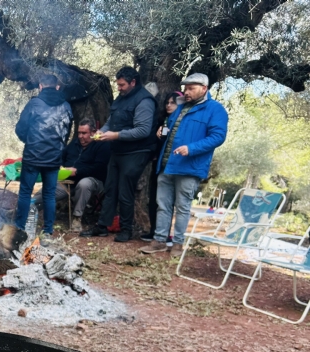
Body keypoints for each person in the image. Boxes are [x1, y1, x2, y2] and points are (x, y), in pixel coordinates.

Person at [141, 73, 228, 254]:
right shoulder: (180, 107)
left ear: (204, 89)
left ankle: (178, 244)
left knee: (182, 207)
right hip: (167, 165)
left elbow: (218, 137)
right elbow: (170, 128)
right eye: (185, 88)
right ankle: (159, 241)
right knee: (163, 205)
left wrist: (192, 148)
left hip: (189, 166)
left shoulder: (215, 109)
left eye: (191, 88)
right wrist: (161, 131)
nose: (186, 92)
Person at [81, 66, 159, 242]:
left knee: (125, 191)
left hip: (137, 152)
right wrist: (102, 132)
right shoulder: (121, 98)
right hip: (118, 150)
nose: (119, 88)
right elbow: (111, 121)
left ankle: (126, 229)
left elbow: (143, 130)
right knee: (110, 189)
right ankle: (102, 226)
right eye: (118, 84)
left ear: (133, 82)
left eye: (122, 84)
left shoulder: (144, 101)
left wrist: (115, 135)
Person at [14, 73, 73, 236]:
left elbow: (20, 128)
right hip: (53, 158)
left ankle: (19, 228)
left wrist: (30, 141)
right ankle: (48, 230)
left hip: (33, 156)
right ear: (57, 87)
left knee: (25, 192)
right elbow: (66, 133)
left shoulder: (34, 104)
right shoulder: (66, 106)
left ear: (40, 86)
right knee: (49, 195)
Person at [51, 119, 111, 232]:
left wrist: (77, 171)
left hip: (94, 181)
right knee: (49, 188)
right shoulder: (74, 143)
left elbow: (99, 168)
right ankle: (26, 208)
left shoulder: (102, 145)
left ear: (93, 133)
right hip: (69, 180)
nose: (80, 136)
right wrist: (60, 167)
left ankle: (77, 218)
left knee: (84, 184)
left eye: (84, 133)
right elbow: (61, 157)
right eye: (79, 133)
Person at [141, 91, 182, 243]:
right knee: (155, 200)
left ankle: (169, 235)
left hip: (176, 166)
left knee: (170, 202)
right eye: (167, 103)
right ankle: (154, 231)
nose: (169, 105)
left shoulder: (182, 122)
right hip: (159, 165)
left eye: (173, 102)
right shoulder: (162, 121)